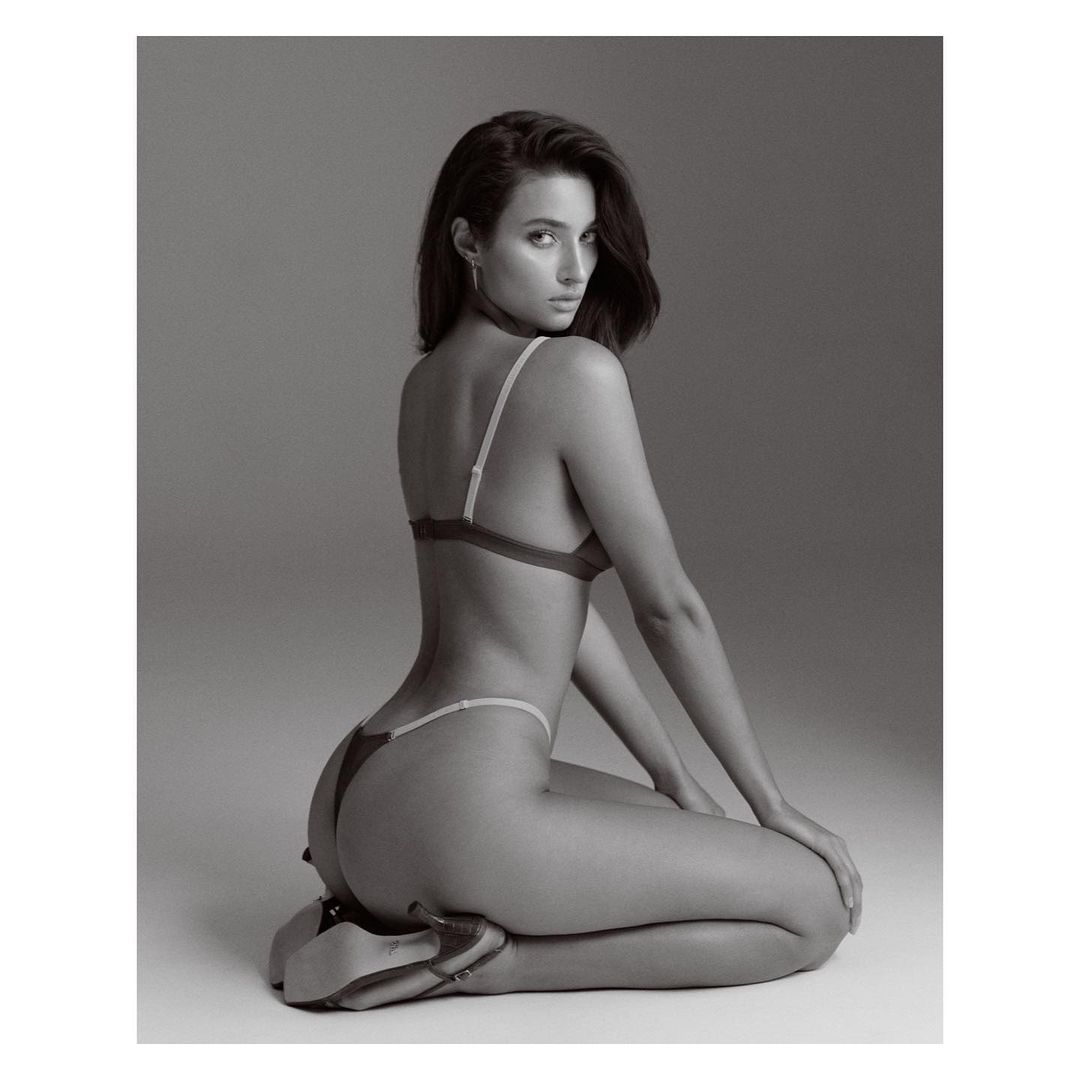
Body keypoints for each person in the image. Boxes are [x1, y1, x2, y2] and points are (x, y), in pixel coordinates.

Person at [269, 110, 862, 1010]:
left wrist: (676, 776)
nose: (576, 270)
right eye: (542, 237)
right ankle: (477, 960)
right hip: (458, 811)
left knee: (675, 820)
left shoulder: (425, 385)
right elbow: (668, 609)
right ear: (469, 240)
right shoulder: (574, 373)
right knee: (811, 908)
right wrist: (770, 803)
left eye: (586, 238)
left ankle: (366, 912)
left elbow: (541, 610)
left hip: (357, 791)